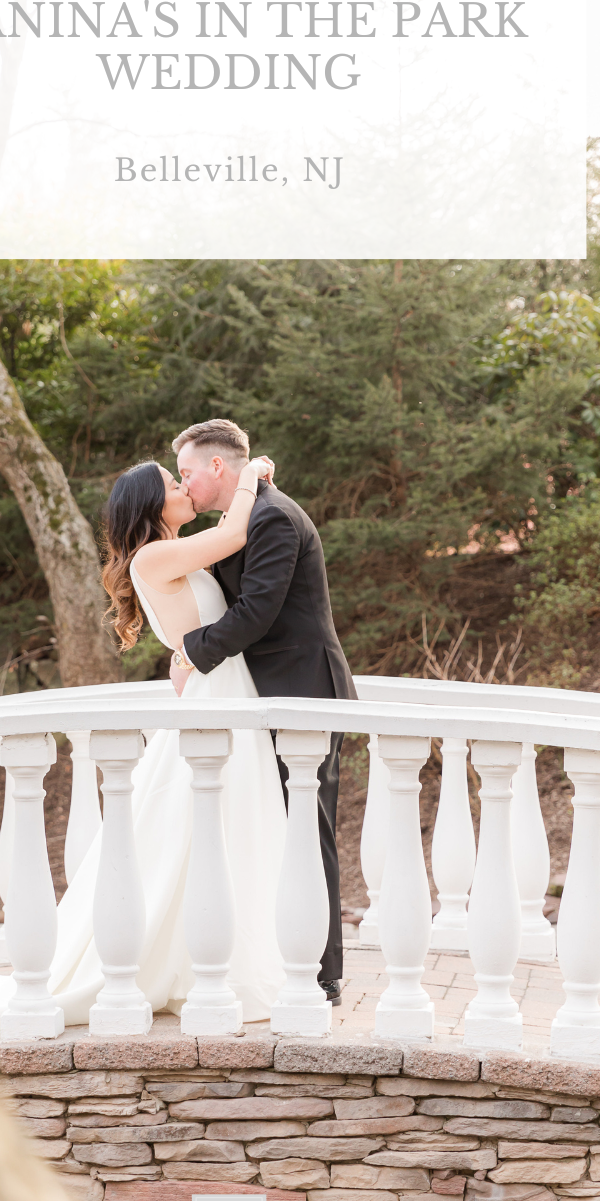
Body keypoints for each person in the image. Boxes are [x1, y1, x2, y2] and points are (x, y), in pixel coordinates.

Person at [0, 448, 288, 1030]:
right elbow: (236, 531)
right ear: (150, 503)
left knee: (224, 831)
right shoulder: (155, 555)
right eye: (173, 481)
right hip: (220, 705)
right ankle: (200, 966)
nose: (185, 487)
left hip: (226, 694)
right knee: (207, 830)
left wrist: (185, 656)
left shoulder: (169, 555)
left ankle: (215, 959)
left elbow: (200, 622)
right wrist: (253, 474)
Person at [171, 418, 357, 1003]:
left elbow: (255, 612)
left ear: (216, 468)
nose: (184, 484)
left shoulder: (274, 517)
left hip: (304, 689)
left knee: (308, 827)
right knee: (275, 826)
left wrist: (189, 654)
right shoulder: (243, 516)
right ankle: (285, 957)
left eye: (186, 473)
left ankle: (322, 974)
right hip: (264, 694)